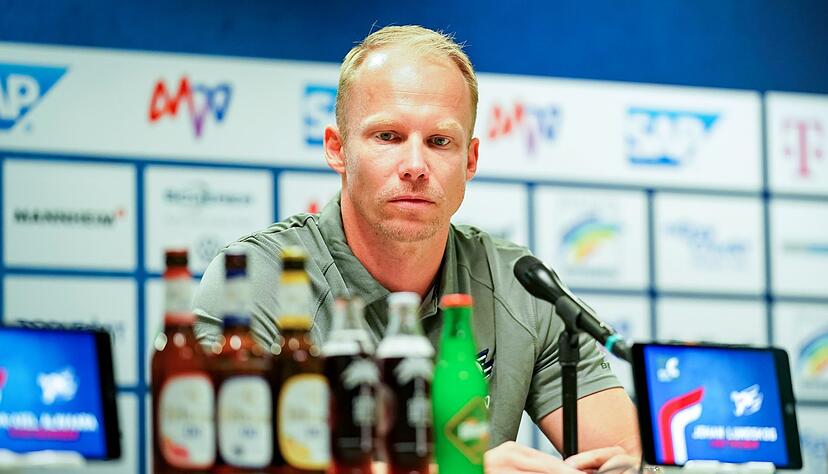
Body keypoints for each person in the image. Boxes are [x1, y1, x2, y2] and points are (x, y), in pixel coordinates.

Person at [194, 25, 641, 473]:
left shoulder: (518, 285)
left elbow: (629, 459)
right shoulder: (257, 281)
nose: (414, 166)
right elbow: (221, 463)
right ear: (337, 149)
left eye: (439, 141)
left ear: (470, 160)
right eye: (387, 136)